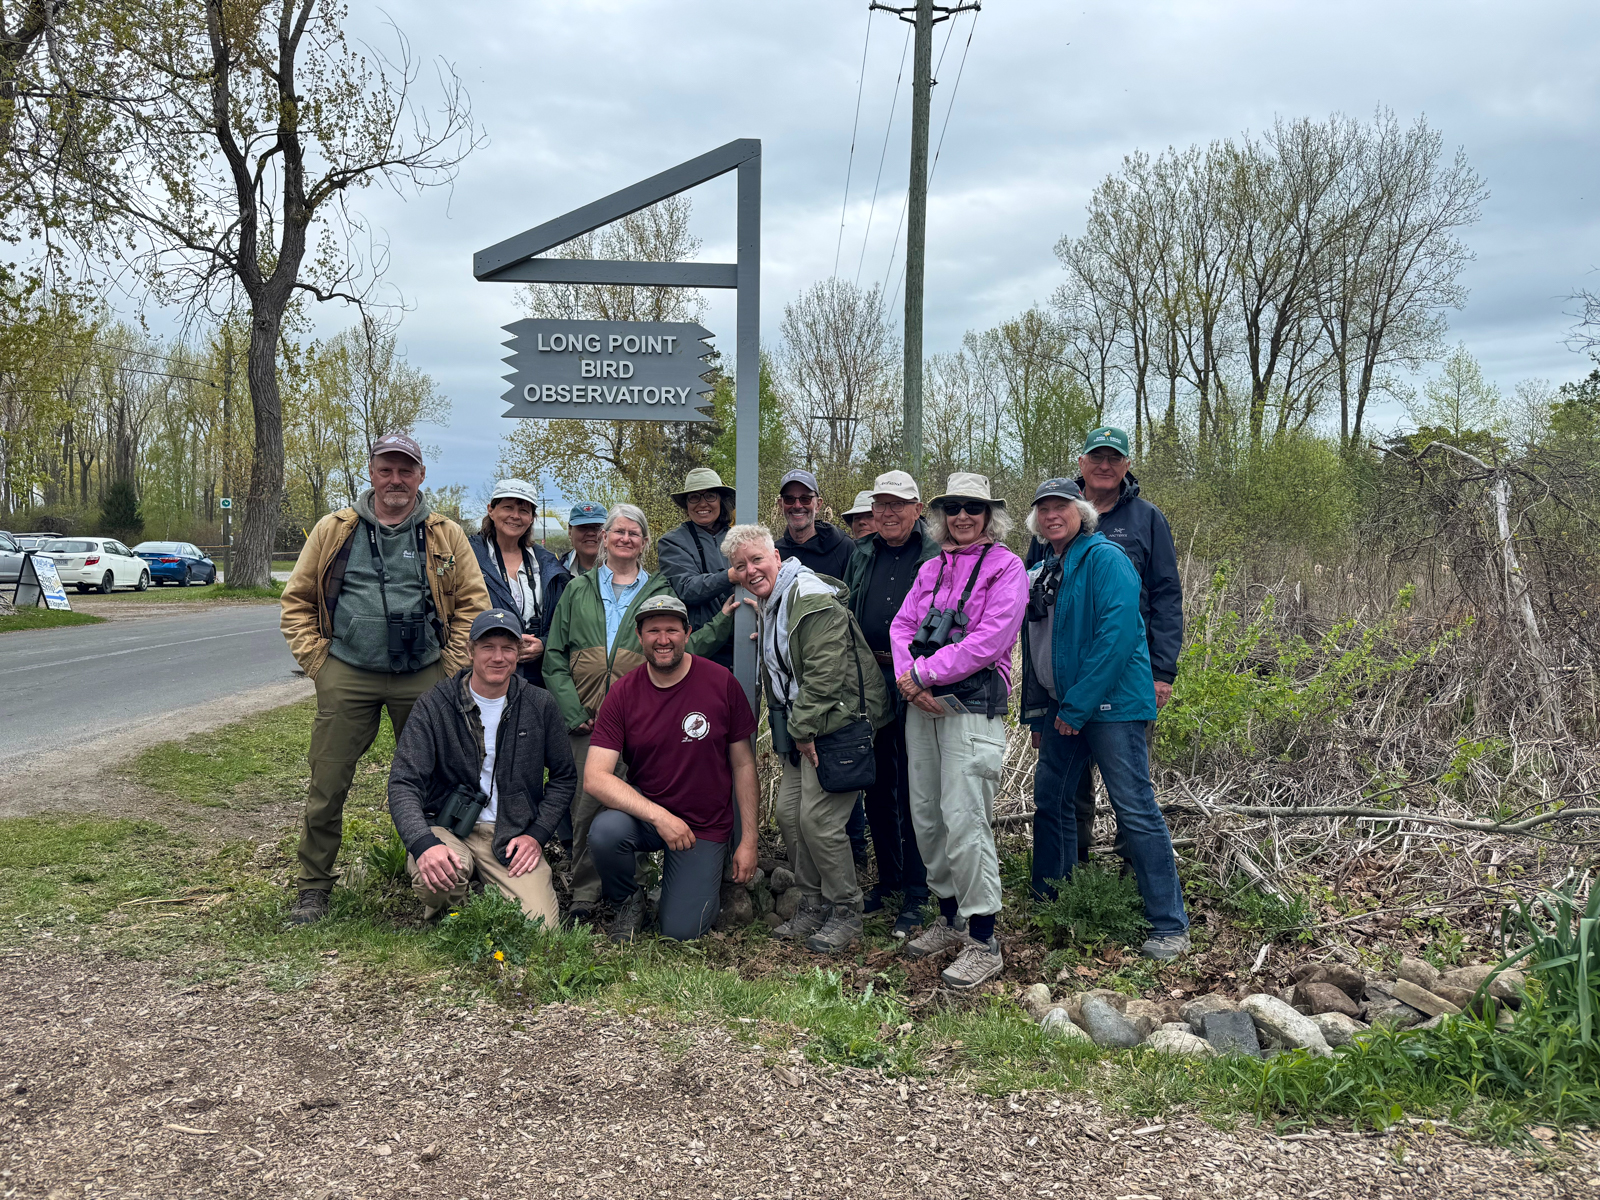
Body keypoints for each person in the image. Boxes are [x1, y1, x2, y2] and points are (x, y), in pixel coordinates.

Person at [280, 432, 489, 925]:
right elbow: (296, 602)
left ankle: (442, 882)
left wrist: (449, 668)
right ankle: (313, 887)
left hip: (424, 676)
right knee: (328, 783)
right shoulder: (334, 529)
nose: (395, 479)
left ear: (420, 475)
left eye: (406, 470)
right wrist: (320, 666)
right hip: (348, 673)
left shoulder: (445, 533)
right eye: (386, 469)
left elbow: (472, 606)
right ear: (370, 472)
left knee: (436, 783)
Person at [1019, 477, 1190, 960]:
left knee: (1133, 806)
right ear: (1036, 520)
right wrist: (1042, 712)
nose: (1053, 515)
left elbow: (1116, 636)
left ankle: (1169, 925)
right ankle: (1053, 901)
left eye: (1062, 507)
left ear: (1082, 513)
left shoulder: (1105, 558)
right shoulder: (1046, 567)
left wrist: (1077, 707)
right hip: (1062, 707)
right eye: (1044, 509)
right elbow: (1036, 644)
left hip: (1110, 707)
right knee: (1051, 800)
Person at [542, 503, 729, 922]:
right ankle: (586, 895)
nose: (626, 539)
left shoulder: (661, 589)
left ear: (645, 542)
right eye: (618, 531)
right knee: (588, 804)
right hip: (588, 716)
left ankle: (636, 889)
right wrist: (572, 711)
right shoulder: (578, 589)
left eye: (634, 533)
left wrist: (722, 621)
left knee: (639, 801)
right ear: (605, 537)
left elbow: (681, 645)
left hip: (646, 715)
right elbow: (554, 655)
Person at [890, 473, 1027, 989]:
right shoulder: (931, 567)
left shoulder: (1008, 568)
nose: (963, 517)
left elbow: (991, 640)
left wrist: (923, 673)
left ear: (989, 515)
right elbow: (902, 626)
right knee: (926, 815)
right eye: (954, 508)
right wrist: (910, 679)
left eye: (974, 508)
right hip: (920, 704)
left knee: (965, 817)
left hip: (971, 707)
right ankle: (948, 918)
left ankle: (983, 936)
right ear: (942, 514)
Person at [727, 523, 889, 954]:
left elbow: (825, 674)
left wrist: (801, 732)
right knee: (788, 814)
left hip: (837, 724)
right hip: (808, 726)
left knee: (819, 822)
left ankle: (846, 911)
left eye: (757, 560)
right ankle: (812, 903)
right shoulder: (773, 603)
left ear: (776, 557)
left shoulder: (809, 597)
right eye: (740, 566)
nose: (750, 570)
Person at [1026, 427, 1183, 865]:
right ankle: (1073, 870)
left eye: (1115, 457)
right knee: (1067, 789)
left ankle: (1132, 876)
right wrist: (1039, 702)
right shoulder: (1051, 517)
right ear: (1081, 463)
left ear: (1127, 465)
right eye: (1097, 456)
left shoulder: (1145, 518)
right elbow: (1035, 612)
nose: (1105, 465)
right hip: (1066, 687)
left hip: (1125, 680)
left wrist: (1161, 671)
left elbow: (1166, 596)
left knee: (1129, 788)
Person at [584, 595, 759, 942]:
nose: (663, 640)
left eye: (672, 630)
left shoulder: (721, 683)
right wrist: (660, 817)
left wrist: (749, 840)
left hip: (703, 824)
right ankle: (626, 901)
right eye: (653, 631)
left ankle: (676, 895)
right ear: (639, 636)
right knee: (605, 832)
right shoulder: (622, 693)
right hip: (648, 818)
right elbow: (594, 776)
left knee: (681, 932)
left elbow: (743, 764)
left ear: (688, 632)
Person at [387, 608, 576, 926]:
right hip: (446, 829)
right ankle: (454, 906)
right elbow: (404, 781)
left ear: (519, 653)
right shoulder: (434, 705)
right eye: (488, 646)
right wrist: (423, 843)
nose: (498, 657)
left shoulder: (540, 705)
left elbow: (563, 777)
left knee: (540, 929)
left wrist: (536, 835)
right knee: (436, 873)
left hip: (510, 834)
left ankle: (485, 888)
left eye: (508, 647)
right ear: (470, 650)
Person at [840, 470, 938, 939]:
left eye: (898, 504)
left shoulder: (936, 553)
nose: (889, 512)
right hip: (870, 678)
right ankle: (890, 880)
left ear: (918, 509)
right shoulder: (861, 552)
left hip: (919, 678)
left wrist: (927, 677)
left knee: (915, 785)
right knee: (876, 782)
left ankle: (919, 895)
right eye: (881, 504)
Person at [467, 479, 571, 689]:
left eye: (524, 510)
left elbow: (564, 621)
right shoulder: (467, 556)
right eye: (508, 507)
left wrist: (544, 642)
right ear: (491, 510)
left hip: (537, 676)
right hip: (485, 671)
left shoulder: (548, 564)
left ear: (532, 518)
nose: (515, 516)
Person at [656, 467, 737, 668]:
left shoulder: (740, 537)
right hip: (701, 649)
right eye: (694, 497)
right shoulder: (671, 542)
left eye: (710, 496)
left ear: (721, 500)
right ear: (686, 505)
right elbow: (686, 588)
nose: (703, 503)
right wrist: (730, 576)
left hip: (743, 646)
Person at [773, 468, 854, 580]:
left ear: (818, 505)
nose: (797, 506)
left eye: (805, 499)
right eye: (789, 499)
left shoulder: (844, 548)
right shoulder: (773, 554)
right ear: (781, 505)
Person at [562, 501, 607, 576]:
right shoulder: (555, 574)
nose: (590, 533)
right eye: (583, 527)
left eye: (597, 527)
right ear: (570, 532)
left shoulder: (625, 570)